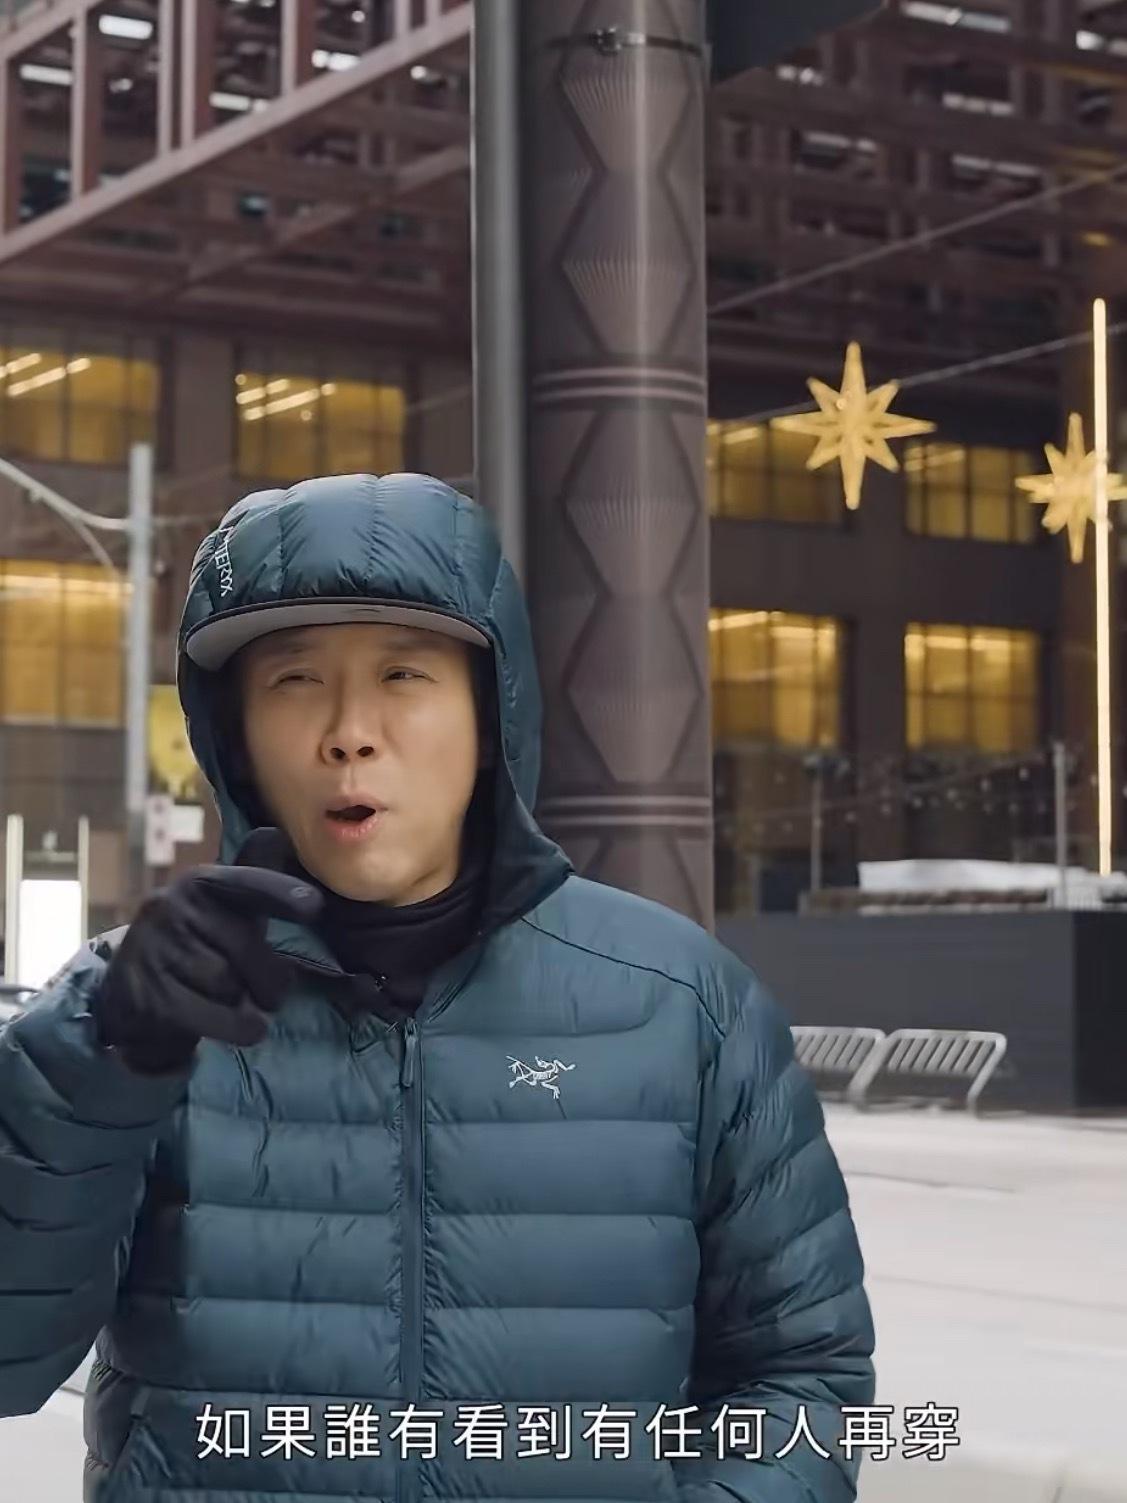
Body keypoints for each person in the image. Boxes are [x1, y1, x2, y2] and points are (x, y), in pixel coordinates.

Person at [0, 473, 875, 1503]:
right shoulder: (134, 1005)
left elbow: (801, 1380)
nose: (348, 731)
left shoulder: (680, 1004)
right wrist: (104, 1062)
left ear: (491, 713)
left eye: (404, 674)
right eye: (293, 680)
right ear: (234, 736)